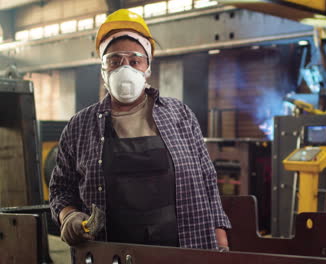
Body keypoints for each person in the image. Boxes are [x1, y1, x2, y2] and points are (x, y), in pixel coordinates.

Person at [49, 9, 231, 250]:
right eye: (114, 61)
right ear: (104, 69)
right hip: (111, 251)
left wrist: (220, 242)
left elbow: (208, 180)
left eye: (135, 60)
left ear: (147, 67)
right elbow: (61, 189)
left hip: (185, 248)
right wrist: (68, 217)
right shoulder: (80, 126)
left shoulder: (180, 115)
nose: (125, 68)